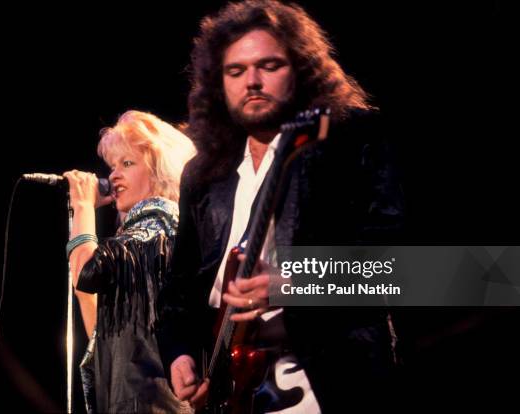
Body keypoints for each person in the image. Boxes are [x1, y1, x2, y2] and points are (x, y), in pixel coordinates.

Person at [156, 1, 404, 413]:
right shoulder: (203, 174)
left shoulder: (355, 142)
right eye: (235, 71)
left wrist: (296, 283)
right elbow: (178, 291)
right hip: (233, 391)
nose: (251, 81)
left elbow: (416, 269)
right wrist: (180, 354)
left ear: (302, 70)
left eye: (269, 66)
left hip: (332, 382)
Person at [64, 110, 196, 413]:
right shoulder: (138, 239)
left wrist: (83, 206)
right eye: (112, 166)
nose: (113, 176)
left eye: (127, 163)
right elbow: (103, 330)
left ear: (160, 171)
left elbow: (86, 272)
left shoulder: (155, 227)